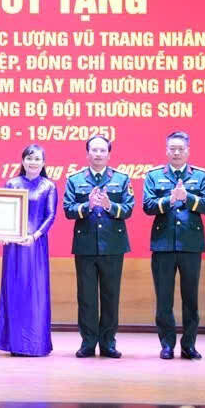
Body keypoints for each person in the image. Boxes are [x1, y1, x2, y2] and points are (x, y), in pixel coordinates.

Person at [143, 131, 205, 361]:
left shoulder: (201, 176)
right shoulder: (154, 176)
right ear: (166, 150)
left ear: (187, 151)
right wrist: (169, 200)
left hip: (190, 245)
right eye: (172, 149)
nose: (176, 153)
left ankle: (189, 345)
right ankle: (166, 344)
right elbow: (147, 206)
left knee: (190, 299)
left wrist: (188, 198)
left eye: (180, 149)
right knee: (164, 299)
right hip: (163, 245)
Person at [63, 135, 134, 358]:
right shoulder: (75, 179)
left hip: (113, 245)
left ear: (109, 154)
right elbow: (68, 209)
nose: (98, 154)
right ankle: (87, 342)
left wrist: (110, 206)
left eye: (102, 150)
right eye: (94, 150)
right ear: (87, 154)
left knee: (111, 296)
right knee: (86, 297)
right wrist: (87, 206)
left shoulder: (121, 179)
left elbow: (129, 208)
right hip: (85, 246)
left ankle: (108, 343)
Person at [0, 144, 57, 357]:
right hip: (13, 247)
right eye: (29, 158)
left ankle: (36, 344)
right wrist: (2, 233)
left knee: (35, 293)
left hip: (35, 246)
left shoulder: (49, 186)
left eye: (37, 159)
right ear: (22, 161)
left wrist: (35, 236)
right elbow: (2, 213)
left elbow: (50, 216)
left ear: (43, 163)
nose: (33, 162)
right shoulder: (12, 184)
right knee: (14, 290)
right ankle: (14, 343)